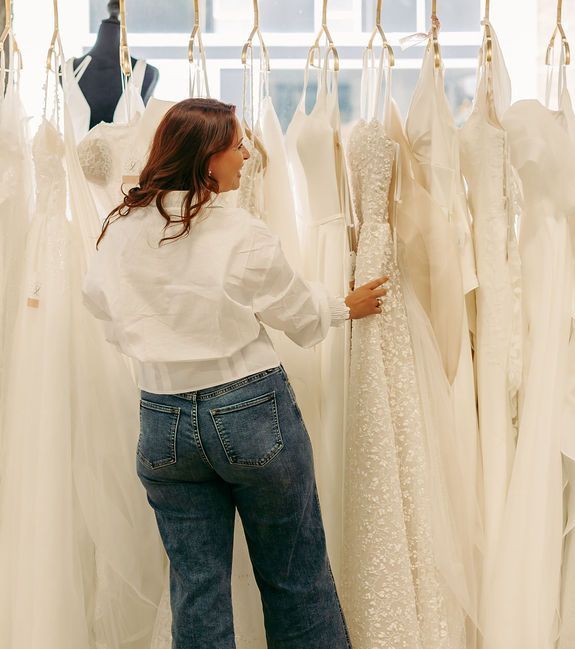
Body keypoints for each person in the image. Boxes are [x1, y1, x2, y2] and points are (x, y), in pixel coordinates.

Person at [83, 98, 385, 649]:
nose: (247, 156)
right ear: (209, 157)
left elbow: (100, 303)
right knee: (294, 578)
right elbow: (296, 313)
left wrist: (160, 343)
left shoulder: (124, 227)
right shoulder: (240, 232)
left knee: (196, 591)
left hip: (163, 419)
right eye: (238, 146)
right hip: (249, 409)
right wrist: (343, 306)